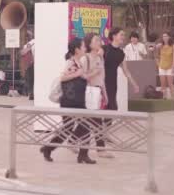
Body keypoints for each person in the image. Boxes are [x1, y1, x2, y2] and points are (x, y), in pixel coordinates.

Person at [40, 37, 95, 165]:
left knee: (86, 126)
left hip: (78, 100)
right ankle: (48, 149)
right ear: (77, 50)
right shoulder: (70, 62)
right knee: (68, 129)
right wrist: (78, 74)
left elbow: (81, 76)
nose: (85, 48)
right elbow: (63, 78)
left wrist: (90, 74)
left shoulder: (79, 61)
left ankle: (83, 154)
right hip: (70, 101)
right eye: (83, 46)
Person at [99, 28, 140, 158]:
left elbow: (126, 71)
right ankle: (97, 140)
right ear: (114, 36)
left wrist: (134, 84)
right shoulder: (104, 49)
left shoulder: (121, 53)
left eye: (123, 34)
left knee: (112, 109)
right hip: (100, 83)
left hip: (112, 84)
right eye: (121, 35)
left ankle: (104, 135)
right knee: (99, 110)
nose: (123, 36)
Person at [157, 32, 174, 99]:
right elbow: (155, 52)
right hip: (162, 66)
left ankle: (173, 98)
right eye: (163, 36)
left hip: (170, 67)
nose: (164, 38)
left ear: (169, 37)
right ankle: (164, 98)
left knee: (170, 84)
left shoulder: (173, 45)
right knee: (163, 85)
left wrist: (173, 67)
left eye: (166, 36)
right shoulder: (160, 45)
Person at [21, 32, 35, 100]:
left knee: (30, 80)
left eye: (27, 36)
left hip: (30, 64)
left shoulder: (27, 45)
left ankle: (31, 93)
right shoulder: (34, 43)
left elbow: (22, 53)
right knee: (32, 79)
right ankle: (32, 93)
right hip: (34, 64)